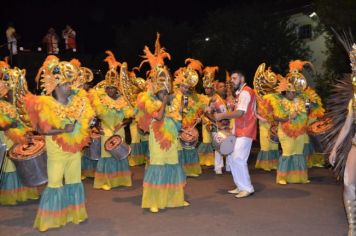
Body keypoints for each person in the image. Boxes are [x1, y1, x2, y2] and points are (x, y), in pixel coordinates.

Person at [23, 56, 95, 231]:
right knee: (55, 184)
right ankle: (50, 219)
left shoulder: (77, 102)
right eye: (66, 84)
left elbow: (88, 120)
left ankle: (74, 214)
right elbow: (41, 130)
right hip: (56, 153)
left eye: (71, 84)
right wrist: (63, 130)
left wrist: (87, 123)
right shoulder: (45, 103)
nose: (70, 87)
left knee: (74, 182)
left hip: (74, 151)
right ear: (57, 86)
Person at [137, 33, 189, 213]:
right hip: (157, 139)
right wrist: (165, 102)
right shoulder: (148, 100)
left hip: (172, 138)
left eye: (166, 90)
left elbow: (179, 122)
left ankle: (174, 199)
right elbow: (158, 117)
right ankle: (154, 201)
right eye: (161, 91)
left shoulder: (175, 101)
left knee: (172, 166)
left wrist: (180, 111)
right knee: (158, 167)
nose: (164, 93)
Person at [323, 33, 356, 236]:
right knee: (348, 184)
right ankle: (353, 226)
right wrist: (335, 148)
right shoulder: (354, 101)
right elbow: (346, 125)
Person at [89, 51, 134, 191]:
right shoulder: (100, 99)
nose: (110, 91)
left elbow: (130, 116)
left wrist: (122, 124)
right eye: (108, 88)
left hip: (119, 129)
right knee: (107, 154)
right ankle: (107, 181)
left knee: (120, 153)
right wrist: (97, 127)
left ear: (116, 89)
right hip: (106, 130)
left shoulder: (123, 100)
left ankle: (121, 179)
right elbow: (93, 116)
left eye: (112, 88)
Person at [0, 63, 39, 205]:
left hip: (19, 138)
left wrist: (27, 132)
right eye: (9, 86)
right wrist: (9, 125)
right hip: (5, 139)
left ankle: (24, 192)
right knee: (9, 165)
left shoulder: (19, 104)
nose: (11, 90)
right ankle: (10, 194)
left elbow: (25, 122)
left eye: (14, 86)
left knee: (21, 165)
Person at [214, 70, 256, 198]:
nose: (232, 81)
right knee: (232, 158)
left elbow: (240, 113)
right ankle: (240, 186)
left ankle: (247, 188)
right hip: (239, 130)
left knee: (238, 158)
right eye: (231, 78)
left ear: (242, 78)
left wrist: (222, 115)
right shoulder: (240, 93)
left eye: (235, 78)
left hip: (246, 131)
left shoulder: (245, 92)